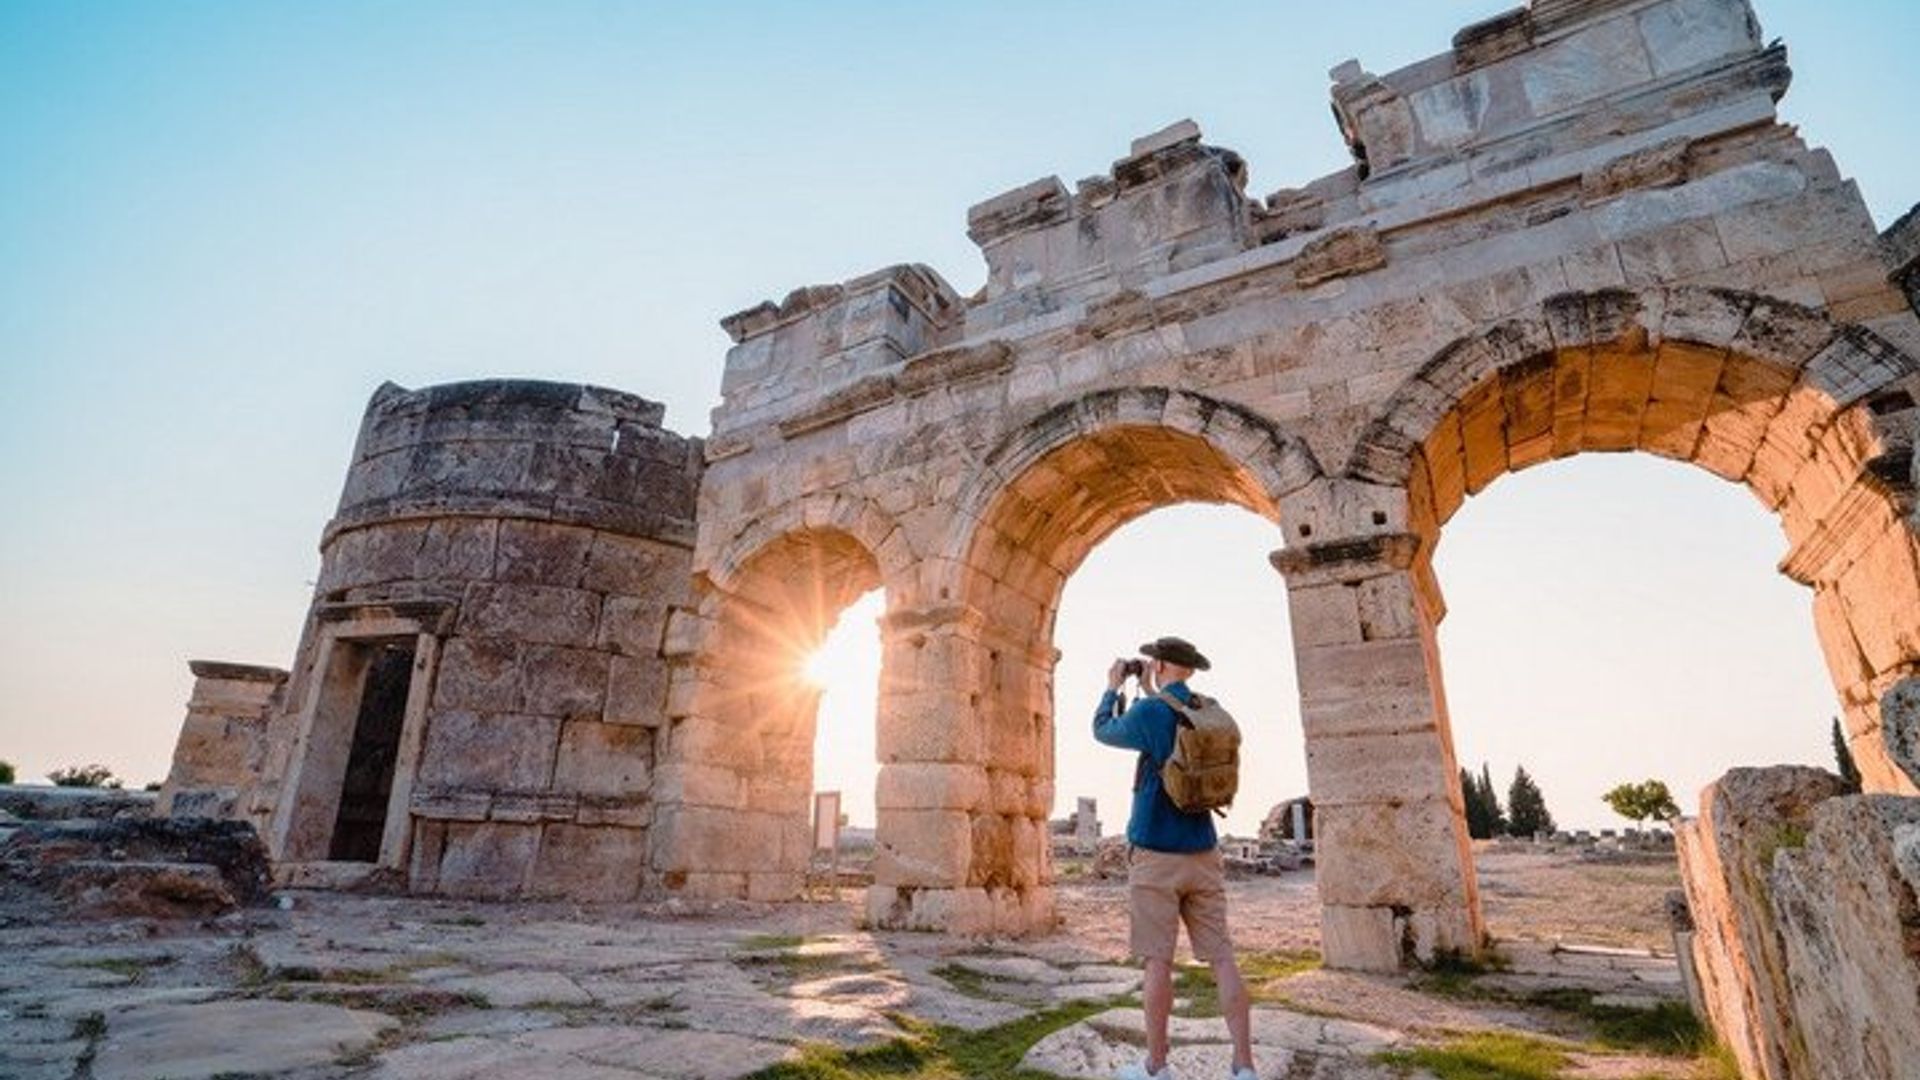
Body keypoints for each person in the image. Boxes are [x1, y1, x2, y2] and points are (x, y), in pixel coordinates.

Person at [1094, 635, 1255, 1080]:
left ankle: (1156, 1066)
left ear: (1160, 664)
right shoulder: (1206, 710)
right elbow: (1173, 724)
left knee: (1158, 962)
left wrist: (1113, 687)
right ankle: (1244, 1067)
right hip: (1203, 850)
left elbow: (1103, 729)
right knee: (1223, 959)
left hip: (1155, 855)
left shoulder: (1149, 713)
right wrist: (1151, 690)